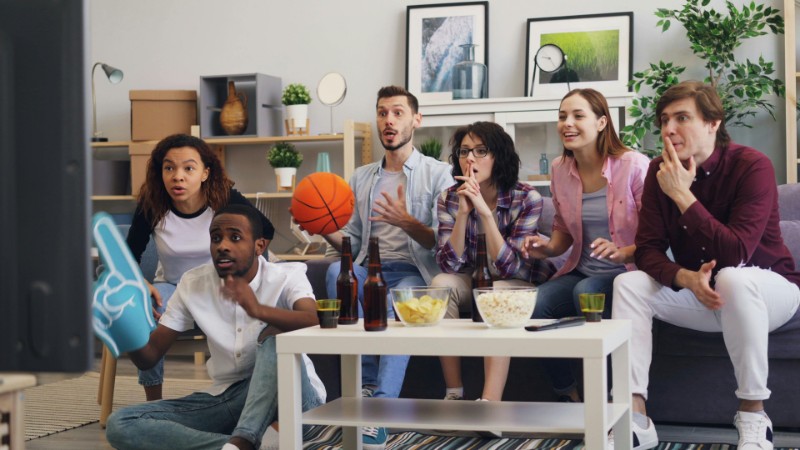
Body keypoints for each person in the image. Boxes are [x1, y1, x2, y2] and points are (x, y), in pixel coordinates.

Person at [611, 81, 800, 450]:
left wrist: (682, 194)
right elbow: (648, 250)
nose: (669, 129)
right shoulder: (657, 172)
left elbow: (736, 253)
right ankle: (635, 417)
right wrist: (683, 277)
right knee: (628, 285)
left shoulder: (752, 166)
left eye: (682, 118)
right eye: (664, 120)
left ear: (713, 123)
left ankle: (753, 416)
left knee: (732, 277)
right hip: (702, 294)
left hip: (769, 292)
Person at [106, 204, 325, 450]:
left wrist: (258, 310)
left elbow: (314, 319)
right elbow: (149, 357)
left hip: (293, 396)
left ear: (259, 246)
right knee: (122, 424)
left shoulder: (287, 275)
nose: (222, 246)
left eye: (235, 237)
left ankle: (244, 441)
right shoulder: (193, 283)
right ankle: (253, 446)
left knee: (275, 337)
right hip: (229, 398)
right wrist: (122, 326)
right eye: (215, 238)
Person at [316, 85, 454, 450]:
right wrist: (323, 228)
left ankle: (380, 407)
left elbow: (444, 244)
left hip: (415, 271)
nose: (388, 120)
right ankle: (365, 382)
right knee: (334, 273)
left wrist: (406, 221)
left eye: (397, 112)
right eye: (382, 113)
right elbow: (353, 246)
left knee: (400, 297)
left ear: (416, 119)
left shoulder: (439, 173)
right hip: (370, 267)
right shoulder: (361, 178)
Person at [522, 88, 649, 402]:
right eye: (563, 116)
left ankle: (609, 399)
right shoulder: (559, 170)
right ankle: (571, 397)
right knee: (535, 305)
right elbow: (564, 229)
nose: (568, 123)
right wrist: (548, 248)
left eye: (578, 115)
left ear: (602, 122)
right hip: (582, 269)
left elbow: (660, 233)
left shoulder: (633, 165)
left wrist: (624, 250)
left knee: (587, 292)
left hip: (631, 270)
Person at [126, 133, 275, 401]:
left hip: (223, 285)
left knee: (264, 316)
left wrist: (242, 275)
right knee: (145, 314)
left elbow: (266, 230)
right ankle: (154, 402)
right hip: (173, 286)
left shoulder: (224, 197)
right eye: (169, 167)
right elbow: (128, 255)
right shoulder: (152, 203)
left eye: (188, 168)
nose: (177, 176)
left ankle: (253, 396)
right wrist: (140, 283)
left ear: (205, 173)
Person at [432, 121, 553, 404]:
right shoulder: (449, 198)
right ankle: (454, 394)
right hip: (473, 277)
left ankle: (489, 403)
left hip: (519, 281)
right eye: (463, 152)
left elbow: (509, 267)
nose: (470, 159)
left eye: (480, 151)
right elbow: (448, 265)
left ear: (498, 156)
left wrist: (485, 214)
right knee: (440, 286)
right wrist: (464, 213)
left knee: (496, 293)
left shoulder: (527, 198)